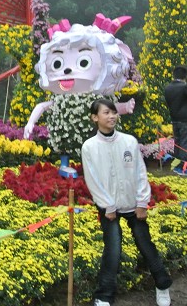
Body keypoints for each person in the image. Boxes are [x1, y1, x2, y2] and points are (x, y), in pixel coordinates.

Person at [81, 98, 172, 306]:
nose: (112, 116)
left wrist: (142, 202)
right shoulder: (89, 147)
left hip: (133, 204)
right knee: (113, 249)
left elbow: (140, 172)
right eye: (106, 113)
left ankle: (162, 285)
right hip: (109, 208)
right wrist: (108, 206)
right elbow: (93, 179)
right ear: (95, 118)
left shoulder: (129, 141)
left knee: (145, 243)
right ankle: (104, 296)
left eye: (114, 112)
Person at [164, 65, 187, 176]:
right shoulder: (184, 87)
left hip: (174, 119)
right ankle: (183, 167)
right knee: (184, 143)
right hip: (185, 120)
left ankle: (177, 165)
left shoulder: (168, 88)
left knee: (177, 143)